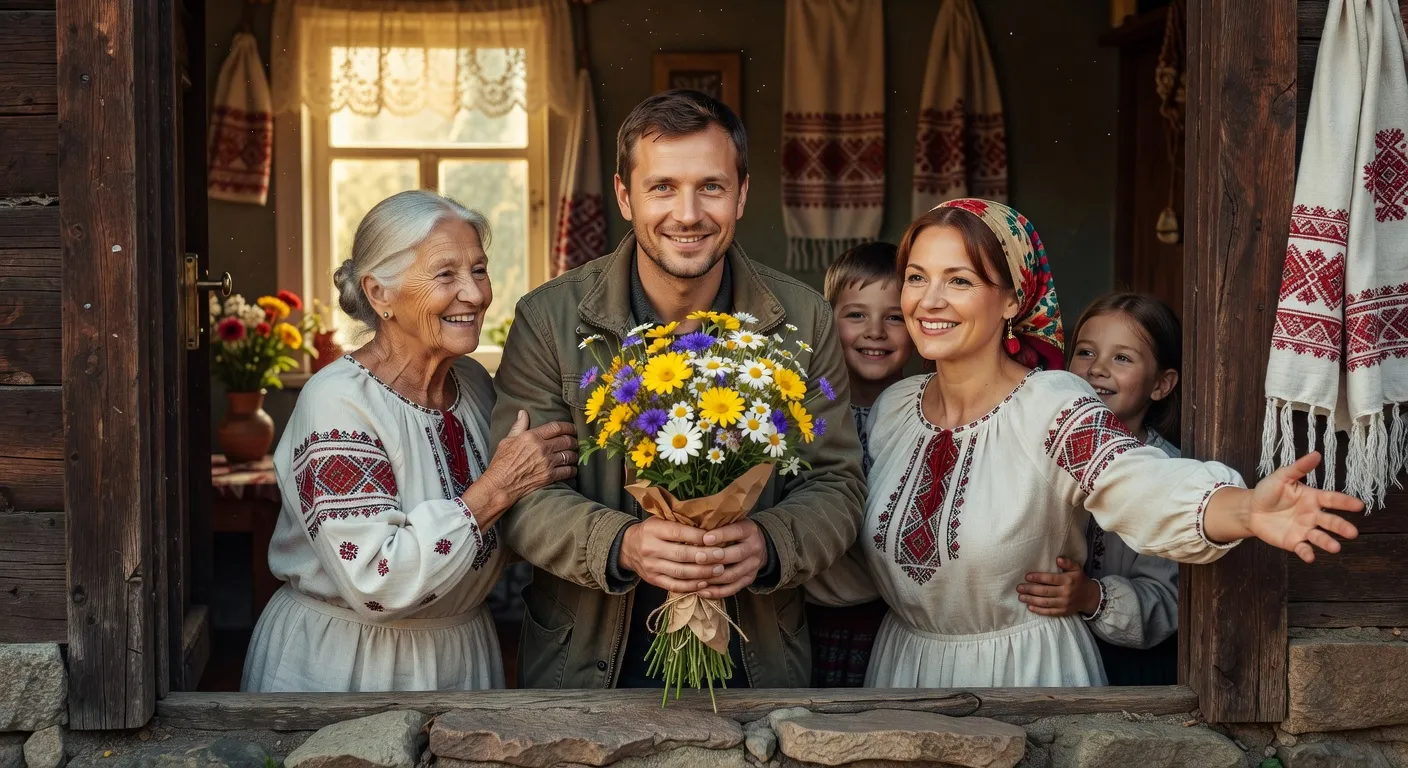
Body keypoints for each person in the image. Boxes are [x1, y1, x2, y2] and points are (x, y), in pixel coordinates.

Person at [808, 198, 1361, 687]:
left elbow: (1135, 480)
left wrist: (1241, 508)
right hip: (904, 672)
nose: (929, 301)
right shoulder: (894, 409)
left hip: (1026, 678)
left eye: (959, 280)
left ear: (1010, 300)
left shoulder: (1050, 404)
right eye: (916, 277)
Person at [489, 90, 865, 689]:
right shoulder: (549, 320)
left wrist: (769, 543)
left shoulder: (804, 317)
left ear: (742, 194)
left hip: (757, 661)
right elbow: (522, 500)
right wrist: (623, 543)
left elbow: (838, 484)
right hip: (587, 668)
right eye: (662, 186)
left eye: (710, 187)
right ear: (623, 195)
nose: (687, 214)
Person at [242, 190, 579, 692]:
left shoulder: (475, 386)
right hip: (348, 665)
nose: (475, 294)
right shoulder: (338, 401)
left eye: (480, 270)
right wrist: (497, 488)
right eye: (446, 274)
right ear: (380, 294)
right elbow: (376, 579)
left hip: (460, 653)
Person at [1017, 293, 1184, 685]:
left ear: (1161, 384)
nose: (1097, 370)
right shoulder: (1039, 452)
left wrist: (1090, 597)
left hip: (1128, 669)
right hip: (1039, 652)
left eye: (1122, 358)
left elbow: (1168, 601)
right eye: (1086, 352)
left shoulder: (1170, 473)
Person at [807, 242, 913, 687]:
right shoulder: (805, 414)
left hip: (894, 619)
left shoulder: (925, 413)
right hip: (813, 611)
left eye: (895, 317)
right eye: (855, 315)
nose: (875, 331)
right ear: (827, 322)